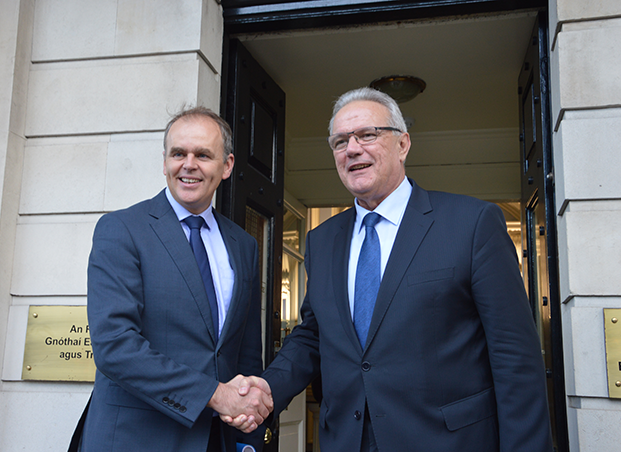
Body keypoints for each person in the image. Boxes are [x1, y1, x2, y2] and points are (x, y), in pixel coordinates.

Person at [229, 87, 553, 451]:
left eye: (367, 135)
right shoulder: (322, 241)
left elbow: (516, 361)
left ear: (403, 145)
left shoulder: (472, 224)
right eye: (340, 141)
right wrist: (269, 388)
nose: (352, 149)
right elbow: (314, 334)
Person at [71, 107, 272, 452]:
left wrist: (247, 437)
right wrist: (214, 394)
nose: (188, 164)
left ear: (226, 166)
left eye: (203, 155)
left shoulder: (244, 245)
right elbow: (115, 347)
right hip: (135, 439)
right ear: (165, 162)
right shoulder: (121, 229)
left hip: (216, 441)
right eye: (178, 153)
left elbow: (246, 353)